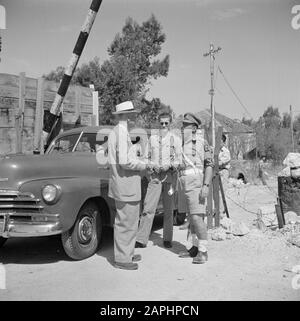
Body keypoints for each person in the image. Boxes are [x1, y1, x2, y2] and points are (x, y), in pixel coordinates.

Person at [108, 101, 150, 270]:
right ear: (126, 116)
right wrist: (143, 165)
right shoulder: (120, 133)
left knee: (129, 221)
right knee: (126, 223)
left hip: (123, 185)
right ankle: (123, 259)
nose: (135, 117)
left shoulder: (118, 132)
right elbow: (125, 162)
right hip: (126, 186)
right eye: (133, 114)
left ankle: (127, 252)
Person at [135, 112, 182, 249]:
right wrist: (151, 165)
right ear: (158, 123)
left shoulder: (176, 140)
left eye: (166, 123)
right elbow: (145, 157)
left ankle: (167, 239)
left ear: (170, 123)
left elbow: (180, 160)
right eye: (161, 123)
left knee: (168, 210)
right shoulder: (153, 139)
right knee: (148, 208)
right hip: (155, 177)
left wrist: (171, 165)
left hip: (169, 176)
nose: (164, 126)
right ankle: (141, 239)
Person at [177, 113, 214, 264]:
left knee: (197, 217)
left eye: (185, 125)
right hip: (183, 183)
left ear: (193, 128)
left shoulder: (201, 142)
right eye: (182, 125)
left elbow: (209, 165)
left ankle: (203, 252)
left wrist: (206, 185)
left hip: (196, 183)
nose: (182, 127)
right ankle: (194, 247)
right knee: (190, 218)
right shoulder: (181, 144)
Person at [218, 133, 231, 217]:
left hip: (223, 171)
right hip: (217, 172)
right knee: (216, 192)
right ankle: (217, 209)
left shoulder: (225, 151)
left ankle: (221, 211)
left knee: (222, 192)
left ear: (223, 142)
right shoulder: (217, 150)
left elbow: (221, 162)